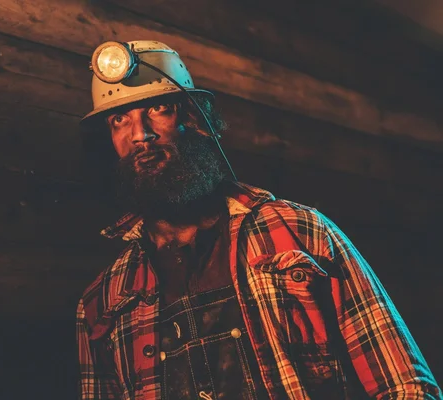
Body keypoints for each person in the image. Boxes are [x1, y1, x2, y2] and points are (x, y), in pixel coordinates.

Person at [76, 40, 441, 399]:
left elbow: (406, 386)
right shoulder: (104, 300)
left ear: (195, 120)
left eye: (159, 109)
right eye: (120, 119)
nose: (140, 134)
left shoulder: (300, 233)